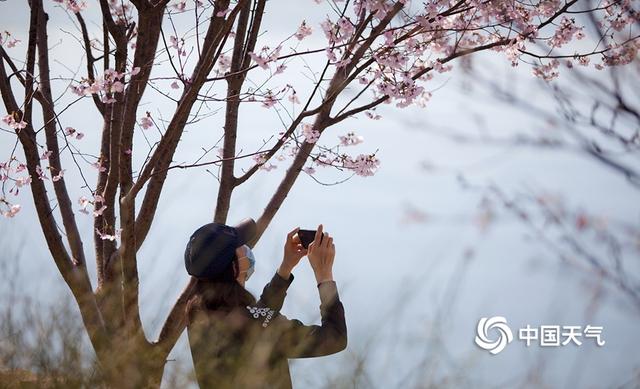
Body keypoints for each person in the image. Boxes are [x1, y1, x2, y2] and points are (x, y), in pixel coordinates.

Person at [184, 218, 347, 389]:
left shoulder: (198, 314)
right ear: (234, 267)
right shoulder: (256, 325)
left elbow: (256, 317)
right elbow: (335, 337)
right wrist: (324, 275)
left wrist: (285, 268)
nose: (247, 248)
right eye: (241, 246)